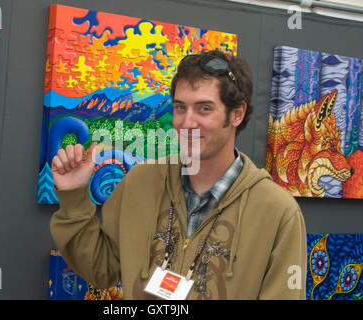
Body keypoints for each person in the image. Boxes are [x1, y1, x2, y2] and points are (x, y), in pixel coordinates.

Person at [50, 50, 307, 300]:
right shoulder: (140, 182)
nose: (186, 122)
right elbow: (101, 268)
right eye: (180, 107)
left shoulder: (278, 212)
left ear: (237, 114)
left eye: (204, 109)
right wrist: (74, 196)